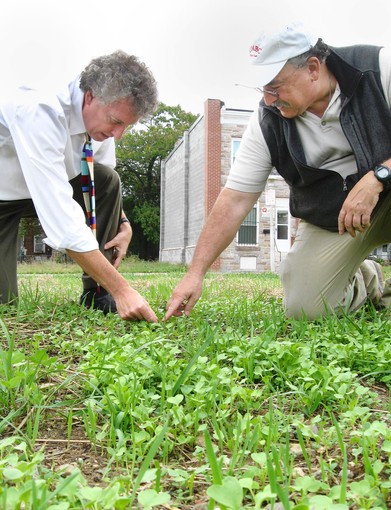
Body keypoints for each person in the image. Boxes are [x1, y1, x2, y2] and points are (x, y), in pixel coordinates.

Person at [165, 21, 391, 321]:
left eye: (275, 87)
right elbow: (234, 200)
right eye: (263, 89)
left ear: (313, 68)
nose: (268, 99)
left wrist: (379, 176)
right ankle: (365, 278)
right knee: (305, 310)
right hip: (336, 218)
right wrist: (195, 273)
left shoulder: (379, 70)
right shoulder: (267, 120)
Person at [0, 50, 158, 322]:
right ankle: (109, 287)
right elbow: (63, 221)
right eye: (117, 122)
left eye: (127, 126)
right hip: (4, 198)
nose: (118, 135)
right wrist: (122, 289)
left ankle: (96, 292)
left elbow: (102, 184)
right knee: (5, 307)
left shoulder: (99, 120)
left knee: (107, 178)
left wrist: (124, 223)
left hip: (47, 188)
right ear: (90, 97)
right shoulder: (42, 110)